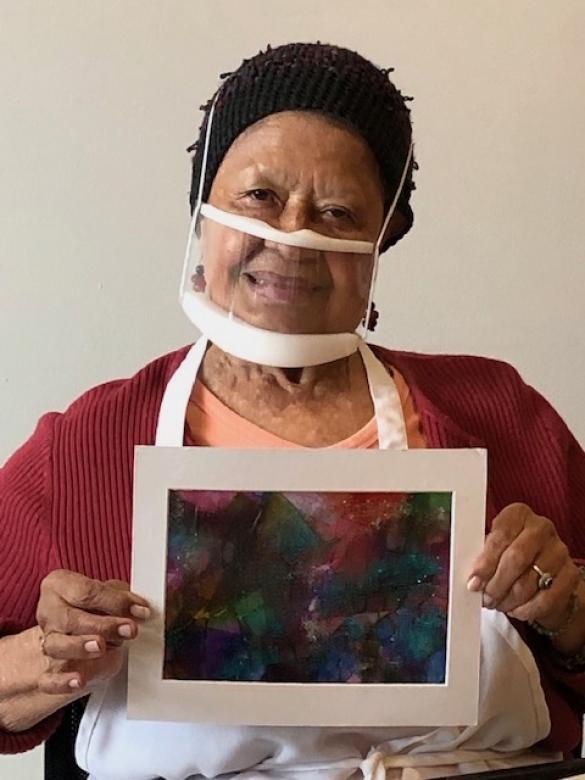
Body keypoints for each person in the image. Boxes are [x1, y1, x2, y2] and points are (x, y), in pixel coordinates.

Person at [1, 42, 584, 780]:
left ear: (381, 240)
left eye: (337, 211)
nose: (294, 237)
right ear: (202, 211)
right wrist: (46, 662)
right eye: (259, 197)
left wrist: (564, 609)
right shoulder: (87, 446)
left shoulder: (502, 415)